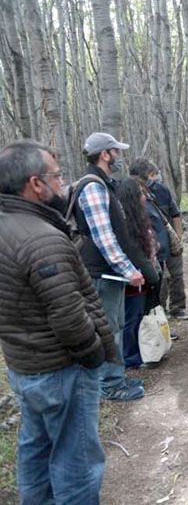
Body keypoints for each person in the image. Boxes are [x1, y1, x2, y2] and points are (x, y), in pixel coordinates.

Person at [0, 140, 117, 504]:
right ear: (36, 184)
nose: (63, 183)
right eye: (57, 175)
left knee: (35, 451)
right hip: (60, 370)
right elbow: (68, 314)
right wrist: (93, 354)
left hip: (24, 365)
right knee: (76, 462)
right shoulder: (42, 239)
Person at [73, 132, 146, 401]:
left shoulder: (103, 184)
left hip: (108, 272)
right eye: (116, 151)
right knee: (108, 328)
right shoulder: (93, 186)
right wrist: (129, 270)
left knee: (115, 324)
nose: (119, 156)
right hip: (100, 272)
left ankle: (116, 377)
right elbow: (104, 238)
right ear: (105, 154)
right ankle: (109, 385)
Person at [130, 158, 188, 321]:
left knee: (176, 275)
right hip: (152, 250)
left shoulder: (162, 191)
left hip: (168, 242)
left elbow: (175, 214)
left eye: (156, 174)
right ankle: (160, 313)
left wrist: (177, 237)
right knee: (160, 281)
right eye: (152, 174)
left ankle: (177, 307)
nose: (155, 177)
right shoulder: (133, 195)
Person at [117, 178, 161, 368]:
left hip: (145, 277)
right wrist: (151, 274)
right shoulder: (125, 223)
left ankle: (140, 350)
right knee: (130, 318)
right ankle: (130, 356)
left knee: (138, 316)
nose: (144, 198)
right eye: (141, 194)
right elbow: (135, 253)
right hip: (133, 280)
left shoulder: (138, 219)